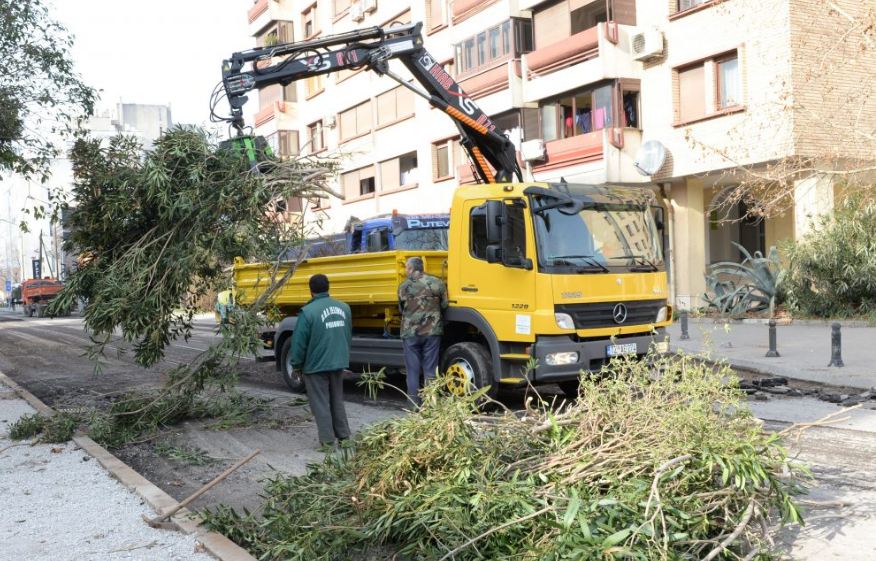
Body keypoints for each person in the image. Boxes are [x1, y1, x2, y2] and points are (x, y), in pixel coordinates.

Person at [289, 274, 352, 447]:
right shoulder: (344, 308)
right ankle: (345, 438)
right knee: (337, 400)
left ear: (311, 290)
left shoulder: (308, 312)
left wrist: (296, 365)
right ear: (328, 287)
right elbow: (347, 335)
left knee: (320, 402)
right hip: (338, 362)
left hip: (315, 365)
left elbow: (299, 343)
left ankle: (327, 442)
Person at [398, 256, 448, 405]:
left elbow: (401, 308)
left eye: (407, 268)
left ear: (411, 268)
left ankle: (413, 405)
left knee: (412, 371)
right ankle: (431, 404)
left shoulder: (403, 286)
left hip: (410, 334)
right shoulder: (437, 283)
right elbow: (445, 305)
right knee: (430, 369)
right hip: (432, 332)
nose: (406, 270)